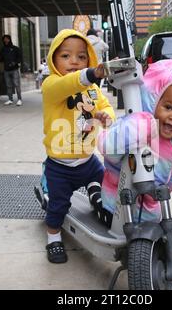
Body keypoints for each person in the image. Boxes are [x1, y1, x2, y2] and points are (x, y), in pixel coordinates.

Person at [97, 59, 172, 226]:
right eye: (168, 107)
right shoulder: (138, 123)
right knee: (123, 237)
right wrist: (137, 128)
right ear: (152, 101)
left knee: (149, 234)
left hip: (153, 202)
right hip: (119, 202)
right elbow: (107, 146)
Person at [41, 29, 115, 263]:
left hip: (88, 160)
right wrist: (91, 73)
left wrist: (105, 116)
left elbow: (106, 106)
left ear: (89, 58)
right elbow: (68, 85)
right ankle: (53, 238)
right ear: (53, 59)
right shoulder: (51, 84)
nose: (74, 61)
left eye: (81, 56)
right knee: (58, 207)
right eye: (65, 56)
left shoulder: (92, 90)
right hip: (60, 166)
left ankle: (94, 188)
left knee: (109, 188)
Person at [0, 35, 23, 106]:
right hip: (6, 70)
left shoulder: (15, 48)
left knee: (16, 84)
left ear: (10, 39)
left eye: (7, 39)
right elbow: (1, 60)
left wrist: (15, 63)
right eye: (4, 39)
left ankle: (19, 99)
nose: (6, 40)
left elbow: (20, 58)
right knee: (8, 85)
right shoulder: (2, 49)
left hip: (14, 69)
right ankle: (10, 99)